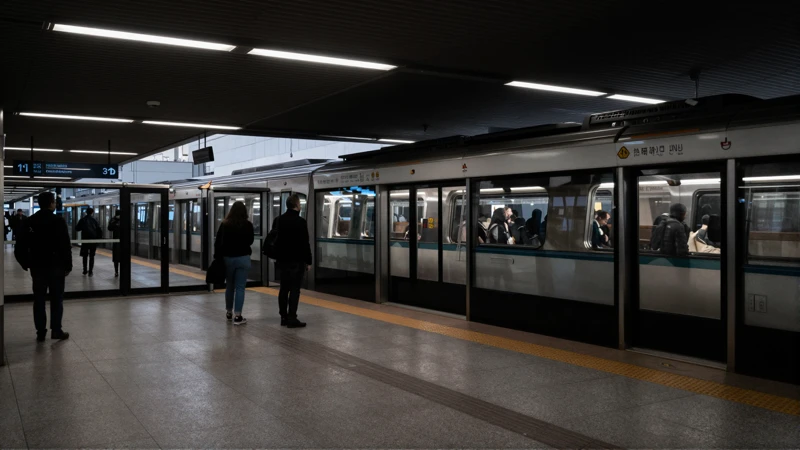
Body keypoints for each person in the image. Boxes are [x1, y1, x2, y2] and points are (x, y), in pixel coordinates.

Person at [14, 192, 72, 341]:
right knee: (56, 299)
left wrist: (25, 263)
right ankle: (56, 330)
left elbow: (20, 245)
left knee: (39, 299)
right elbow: (65, 245)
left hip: (37, 266)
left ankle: (40, 332)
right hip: (56, 266)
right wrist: (68, 265)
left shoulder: (30, 221)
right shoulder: (58, 221)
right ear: (52, 203)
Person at [272, 194, 312, 328]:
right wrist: (309, 261)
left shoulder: (279, 220)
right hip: (297, 261)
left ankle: (283, 316)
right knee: (295, 289)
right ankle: (292, 317)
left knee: (284, 288)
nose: (300, 205)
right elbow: (305, 243)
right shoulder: (301, 222)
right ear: (296, 205)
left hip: (283, 260)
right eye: (299, 203)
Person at [214, 201, 255, 325]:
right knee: (240, 288)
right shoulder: (248, 225)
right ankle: (238, 316)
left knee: (230, 286)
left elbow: (218, 243)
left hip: (228, 259)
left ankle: (228, 312)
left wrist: (217, 257)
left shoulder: (225, 225)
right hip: (243, 258)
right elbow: (251, 240)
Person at [76, 208, 101, 276]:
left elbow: (77, 228)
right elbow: (99, 230)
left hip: (85, 240)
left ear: (86, 212)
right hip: (93, 241)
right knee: (92, 256)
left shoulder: (82, 220)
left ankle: (84, 270)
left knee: (85, 256)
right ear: (92, 212)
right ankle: (90, 271)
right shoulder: (95, 220)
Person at [107, 210, 122, 277]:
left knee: (118, 257)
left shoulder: (123, 219)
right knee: (116, 257)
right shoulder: (113, 220)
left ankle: (117, 271)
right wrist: (115, 223)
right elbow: (109, 228)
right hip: (116, 240)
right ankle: (116, 271)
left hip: (119, 241)